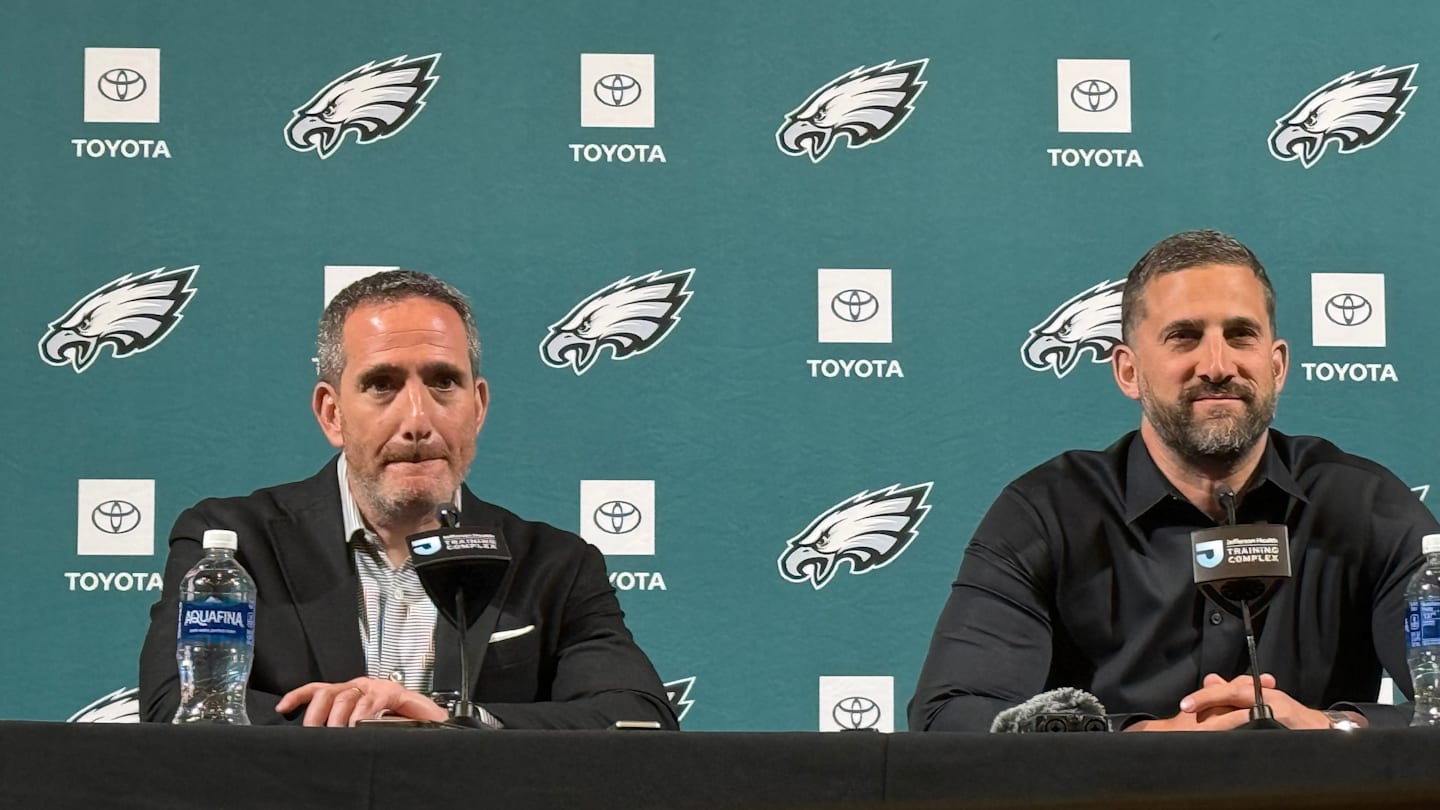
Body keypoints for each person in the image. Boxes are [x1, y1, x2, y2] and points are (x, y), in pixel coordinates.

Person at [909, 229, 1439, 732]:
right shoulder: (1046, 514)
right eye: (1184, 337)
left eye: (1241, 335)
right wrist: (1141, 741)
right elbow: (952, 714)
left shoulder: (1366, 505)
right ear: (1128, 371)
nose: (1217, 365)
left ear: (1277, 367)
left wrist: (1330, 727)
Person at [139, 270, 677, 729]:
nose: (418, 419)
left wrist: (452, 721)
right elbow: (178, 706)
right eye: (382, 384)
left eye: (443, 382)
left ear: (477, 407)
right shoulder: (234, 546)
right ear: (332, 413)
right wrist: (361, 724)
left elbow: (637, 718)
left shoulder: (555, 565)